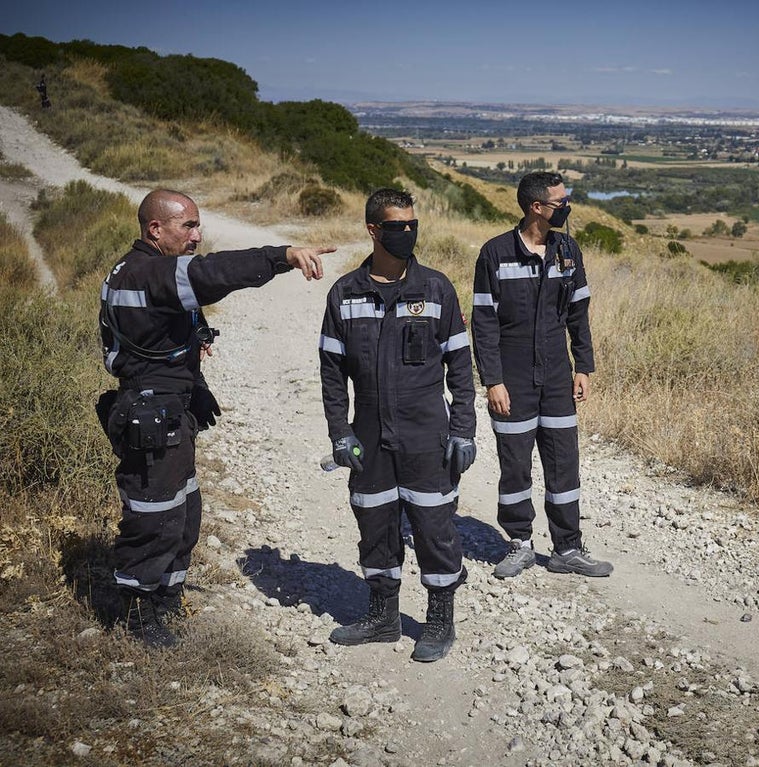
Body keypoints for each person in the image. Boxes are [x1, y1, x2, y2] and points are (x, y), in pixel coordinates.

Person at [97, 189, 333, 648]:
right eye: (188, 226)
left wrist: (194, 337)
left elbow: (162, 322)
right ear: (155, 229)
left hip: (167, 409)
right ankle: (137, 614)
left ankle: (167, 600)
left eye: (198, 225)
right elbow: (213, 273)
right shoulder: (150, 273)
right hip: (151, 413)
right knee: (155, 515)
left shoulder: (135, 269)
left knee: (184, 510)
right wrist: (281, 255)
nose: (197, 235)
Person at [319, 188, 476, 663]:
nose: (407, 233)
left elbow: (461, 368)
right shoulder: (345, 294)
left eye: (412, 224)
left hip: (426, 431)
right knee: (374, 520)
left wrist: (464, 430)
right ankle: (382, 618)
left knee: (435, 526)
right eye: (396, 226)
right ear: (373, 230)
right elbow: (331, 371)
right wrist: (339, 432)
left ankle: (440, 620)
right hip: (369, 432)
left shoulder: (436, 289)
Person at [472, 171, 612, 579]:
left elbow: (578, 315)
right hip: (512, 378)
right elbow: (483, 323)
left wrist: (583, 366)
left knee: (563, 463)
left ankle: (567, 547)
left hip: (556, 377)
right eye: (559, 202)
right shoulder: (495, 253)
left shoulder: (568, 249)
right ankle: (519, 544)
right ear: (537, 207)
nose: (566, 207)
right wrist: (492, 380)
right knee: (515, 464)